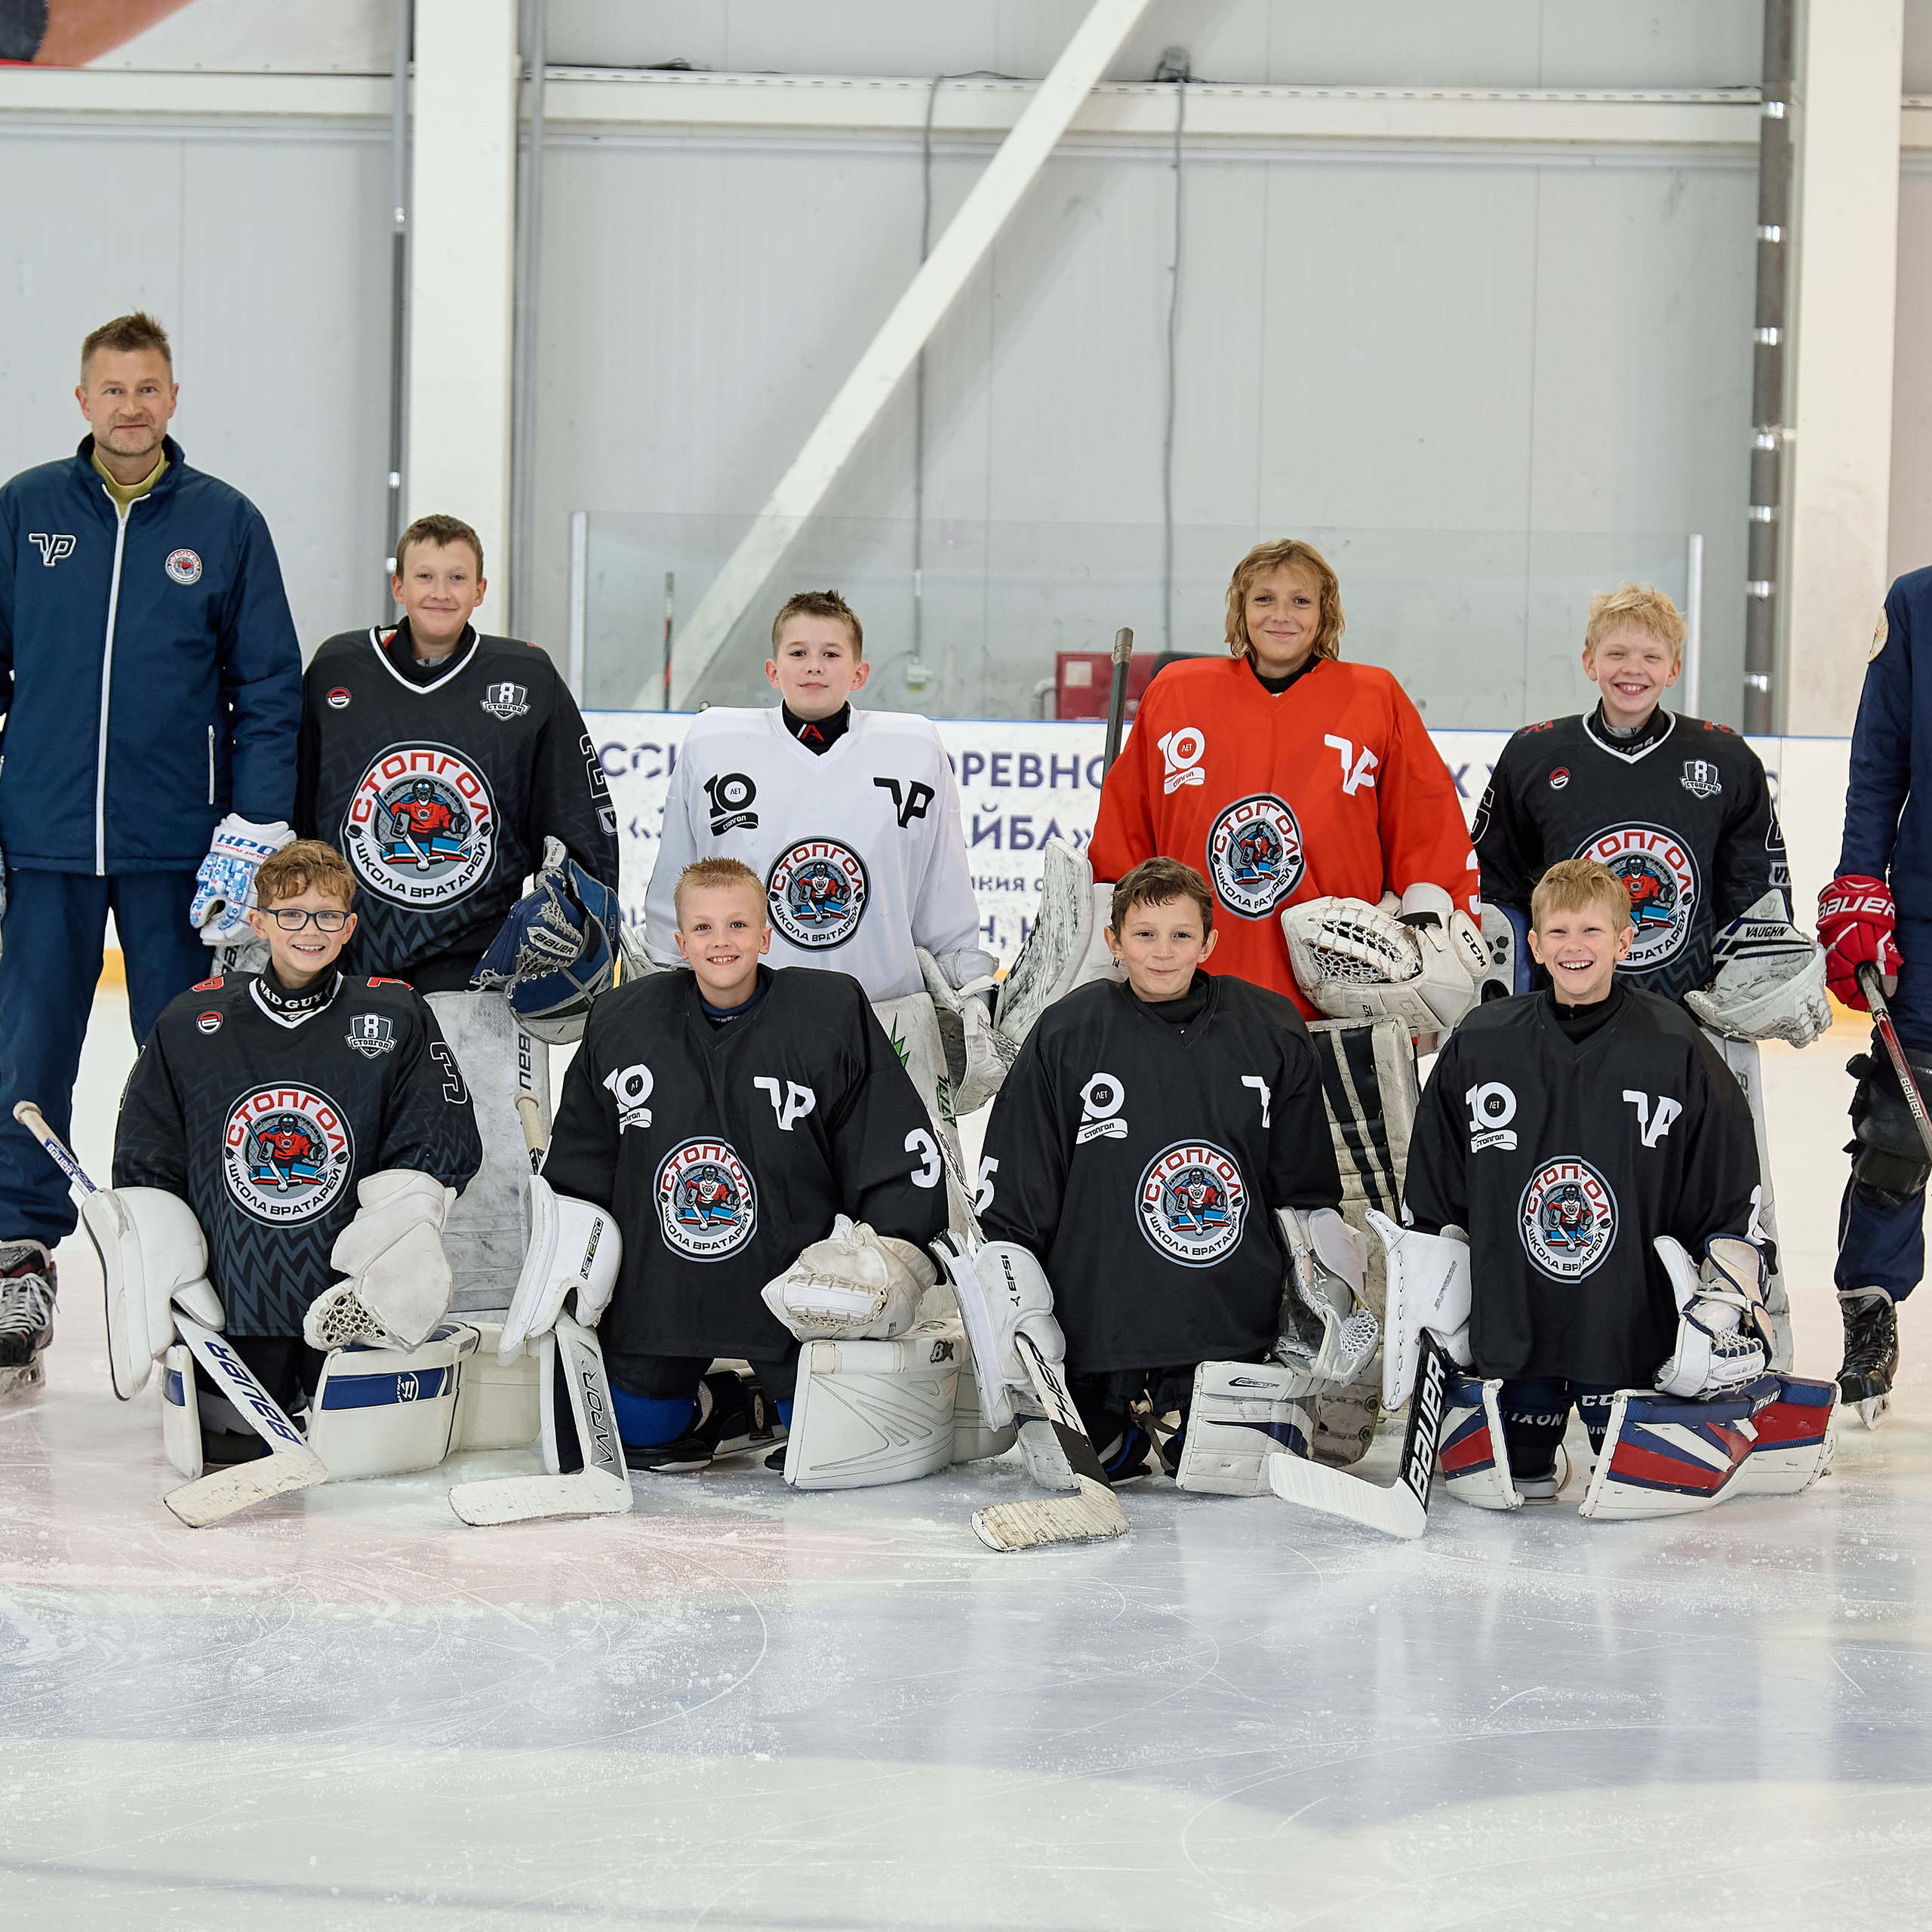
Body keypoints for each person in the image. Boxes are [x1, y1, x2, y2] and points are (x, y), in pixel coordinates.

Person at [0, 312, 302, 1397]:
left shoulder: (224, 523)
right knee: (29, 1057)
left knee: (191, 1057)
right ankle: (17, 1258)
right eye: (112, 389)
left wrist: (256, 823)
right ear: (82, 400)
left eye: (149, 388)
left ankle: (204, 1256)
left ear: (174, 398)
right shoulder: (27, 510)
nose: (131, 406)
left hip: (183, 853)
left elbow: (269, 686)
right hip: (43, 842)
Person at [1470, 583, 1826, 1371]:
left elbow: (1755, 888)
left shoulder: (1723, 757)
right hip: (1567, 1030)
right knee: (1575, 1187)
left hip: (1691, 1029)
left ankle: (1745, 1345)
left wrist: (1755, 974)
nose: (1632, 669)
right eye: (1617, 653)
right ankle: (1559, 1348)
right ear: (1590, 660)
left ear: (1673, 667)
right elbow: (1496, 886)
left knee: (1727, 1193)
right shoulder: (1536, 755)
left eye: (1650, 656)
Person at [294, 512, 623, 1310]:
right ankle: (340, 1309)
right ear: (397, 584)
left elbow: (582, 820)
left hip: (477, 970)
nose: (439, 591)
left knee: (494, 1160)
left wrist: (585, 911)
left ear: (481, 589)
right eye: (424, 575)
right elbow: (296, 810)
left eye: (457, 577)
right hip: (350, 960)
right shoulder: (338, 668)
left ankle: (488, 1311)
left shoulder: (528, 679)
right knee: (338, 1152)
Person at [540, 857, 951, 1474]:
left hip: (794, 1294)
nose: (721, 941)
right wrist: (568, 1260)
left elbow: (889, 1142)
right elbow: (583, 1160)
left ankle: (771, 1400)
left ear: (766, 935)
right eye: (703, 929)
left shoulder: (828, 1013)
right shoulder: (623, 1021)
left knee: (829, 1438)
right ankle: (728, 1405)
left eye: (737, 925)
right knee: (641, 1432)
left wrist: (891, 1252)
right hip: (660, 1293)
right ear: (680, 943)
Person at [973, 857, 1352, 1494]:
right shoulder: (1068, 1032)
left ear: (1209, 942)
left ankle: (1181, 1402)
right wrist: (1015, 1313)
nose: (1163, 953)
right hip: (1096, 1337)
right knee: (1078, 1471)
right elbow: (1017, 1193)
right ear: (1113, 940)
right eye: (1144, 935)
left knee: (1227, 1485)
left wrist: (1320, 1295)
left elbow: (1305, 1192)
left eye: (1181, 935)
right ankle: (1116, 1415)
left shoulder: (1271, 1028)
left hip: (1229, 1331)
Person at [1398, 858, 1769, 1501]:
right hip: (1513, 1332)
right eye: (1559, 933)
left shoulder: (1674, 1043)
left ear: (1625, 941)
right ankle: (1537, 1430)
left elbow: (1725, 1180)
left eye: (1593, 932)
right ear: (1534, 945)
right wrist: (1438, 1295)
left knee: (1633, 1487)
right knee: (1519, 1478)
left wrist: (1720, 1287)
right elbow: (1436, 1184)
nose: (1575, 948)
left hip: (1629, 1333)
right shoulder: (1483, 1042)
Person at [109, 840, 481, 1464]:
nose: (310, 929)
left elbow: (440, 1136)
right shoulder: (190, 1023)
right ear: (259, 923)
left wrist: (406, 1217)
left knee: (359, 1458)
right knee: (231, 1447)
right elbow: (147, 1151)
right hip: (236, 1305)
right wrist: (154, 1237)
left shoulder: (394, 1013)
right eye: (291, 914)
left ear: (350, 925)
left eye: (327, 915)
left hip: (349, 1302)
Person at [643, 590, 1001, 1151]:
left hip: (887, 1019)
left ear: (859, 672)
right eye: (799, 652)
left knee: (899, 1198)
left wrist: (967, 990)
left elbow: (942, 887)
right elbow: (678, 884)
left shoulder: (914, 749)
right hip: (750, 1017)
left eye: (831, 654)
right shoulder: (713, 746)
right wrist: (664, 985)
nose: (814, 666)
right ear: (772, 668)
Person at [1086, 539, 1479, 1023]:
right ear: (1241, 608)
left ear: (1325, 613)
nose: (1281, 615)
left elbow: (1427, 827)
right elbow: (1124, 833)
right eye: (1264, 599)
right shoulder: (1174, 694)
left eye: (1301, 600)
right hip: (1191, 982)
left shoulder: (1375, 698)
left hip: (1334, 995)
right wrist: (1115, 935)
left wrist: (1433, 921)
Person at [1818, 568, 1932, 1426]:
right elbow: (1878, 755)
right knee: (1897, 1127)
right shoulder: (1917, 603)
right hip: (1928, 914)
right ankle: (1869, 1313)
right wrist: (1860, 877)